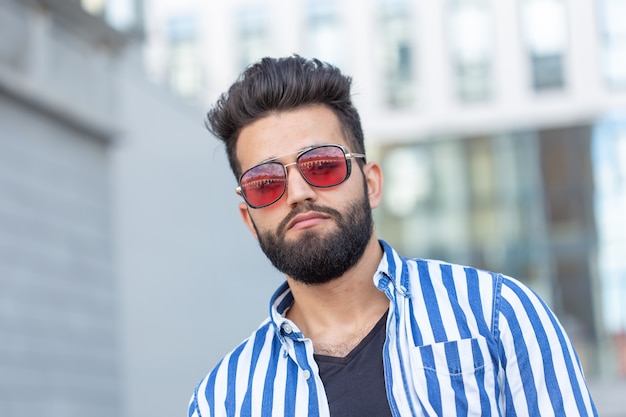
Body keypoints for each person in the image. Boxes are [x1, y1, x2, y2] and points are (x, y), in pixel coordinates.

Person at [188, 55, 597, 417]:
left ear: (371, 184)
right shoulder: (224, 400)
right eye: (265, 182)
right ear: (248, 217)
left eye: (323, 164)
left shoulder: (498, 316)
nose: (298, 192)